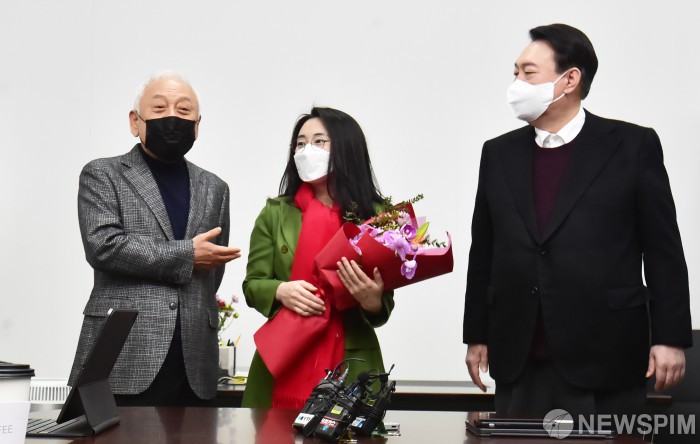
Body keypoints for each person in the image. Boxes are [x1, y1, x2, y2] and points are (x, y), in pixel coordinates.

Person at [463, 24, 692, 417]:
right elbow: (483, 250)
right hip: (519, 355)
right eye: (515, 72)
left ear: (569, 80)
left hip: (607, 356)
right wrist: (476, 334)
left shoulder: (632, 146)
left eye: (528, 72)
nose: (516, 83)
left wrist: (670, 337)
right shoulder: (498, 153)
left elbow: (663, 250)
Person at [68, 71, 241, 406]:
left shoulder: (215, 188)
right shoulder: (102, 173)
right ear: (135, 121)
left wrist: (194, 260)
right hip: (123, 354)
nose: (172, 117)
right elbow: (104, 246)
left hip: (194, 362)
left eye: (184, 110)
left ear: (197, 125)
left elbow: (212, 271)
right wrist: (187, 255)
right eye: (159, 108)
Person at [242, 107, 394, 408]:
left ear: (346, 148)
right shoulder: (275, 213)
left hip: (352, 360)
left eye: (319, 141)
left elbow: (384, 304)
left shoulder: (377, 216)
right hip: (283, 353)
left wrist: (372, 300)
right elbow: (253, 284)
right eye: (300, 143)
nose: (306, 150)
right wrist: (280, 290)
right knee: (272, 431)